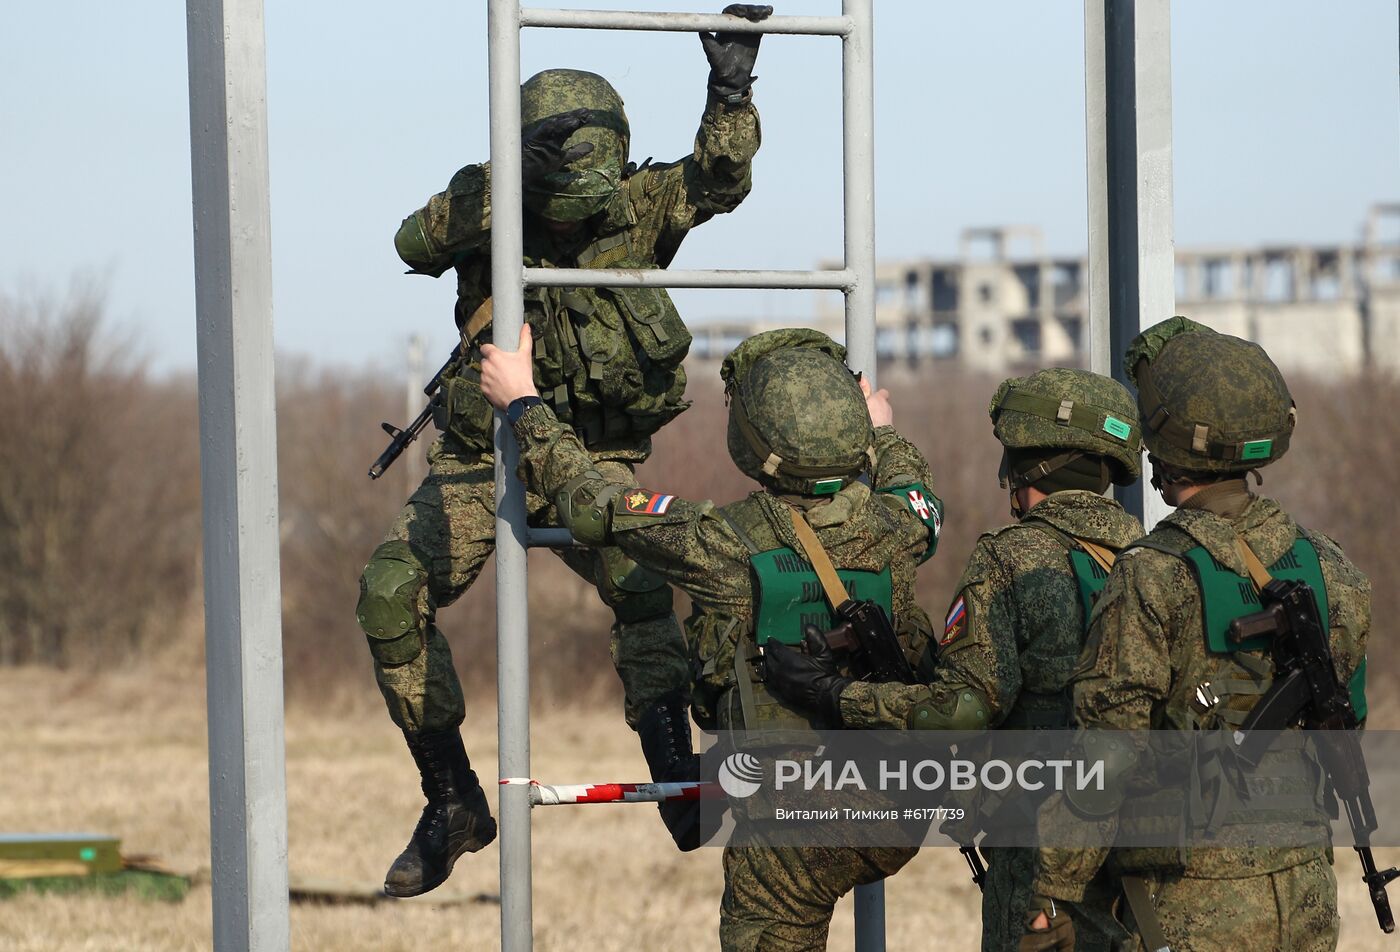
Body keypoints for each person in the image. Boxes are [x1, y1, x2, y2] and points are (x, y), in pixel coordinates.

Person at [356, 5, 774, 898]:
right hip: (483, 461)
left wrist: (731, 86)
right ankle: (452, 798)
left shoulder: (636, 207)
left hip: (593, 460)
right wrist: (504, 184)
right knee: (390, 592)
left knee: (640, 588)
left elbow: (720, 177)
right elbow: (409, 240)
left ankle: (677, 776)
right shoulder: (487, 203)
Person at [479, 325, 944, 950]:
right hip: (898, 801)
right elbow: (918, 495)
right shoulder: (901, 525)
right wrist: (881, 429)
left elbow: (597, 505)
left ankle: (680, 782)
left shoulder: (724, 540)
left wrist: (524, 404)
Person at [762, 368, 1145, 952]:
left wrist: (832, 693)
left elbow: (961, 712)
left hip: (1040, 858)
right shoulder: (1154, 558)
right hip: (1148, 855)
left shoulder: (1012, 557)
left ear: (1027, 466)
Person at [1025, 317, 1370, 951]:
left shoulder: (1152, 573)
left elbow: (1107, 756)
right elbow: (1349, 716)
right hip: (1306, 890)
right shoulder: (1331, 567)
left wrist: (1054, 888)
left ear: (1167, 449)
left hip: (1191, 902)